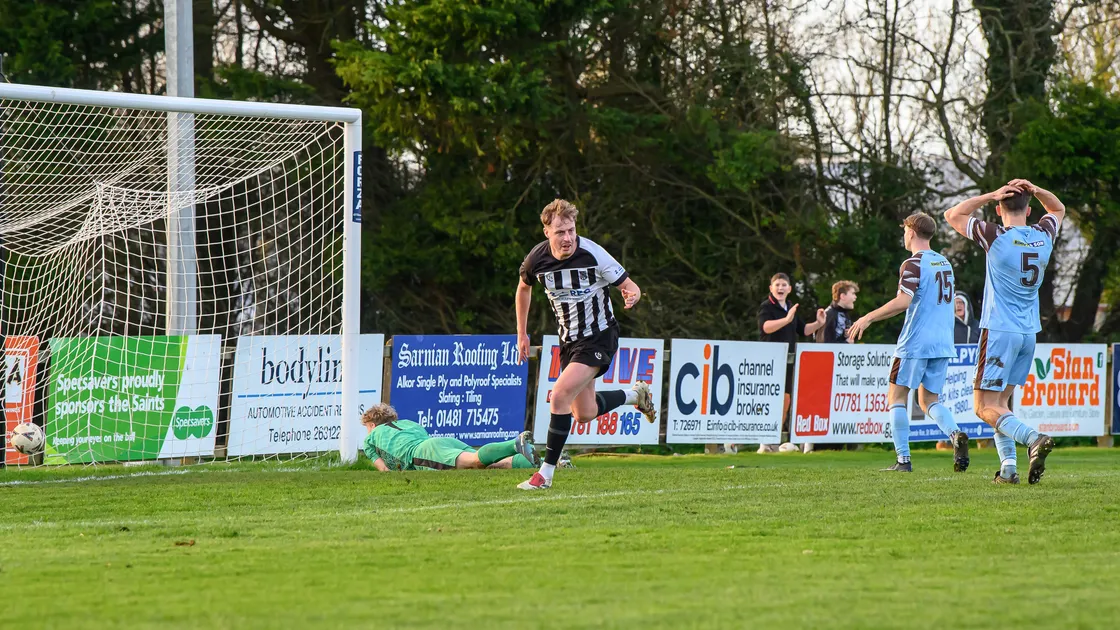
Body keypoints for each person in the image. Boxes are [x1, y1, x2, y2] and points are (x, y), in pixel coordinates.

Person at [514, 199, 657, 490]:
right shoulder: (536, 260)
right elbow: (523, 289)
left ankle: (545, 475)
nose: (567, 238)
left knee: (559, 396)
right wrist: (522, 333)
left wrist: (633, 295)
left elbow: (631, 286)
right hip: (570, 342)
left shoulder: (593, 254)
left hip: (600, 336)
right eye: (560, 232)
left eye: (571, 230)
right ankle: (635, 396)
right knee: (585, 413)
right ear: (546, 232)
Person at [944, 179, 1063, 485]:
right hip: (1028, 333)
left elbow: (952, 215)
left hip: (999, 329)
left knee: (984, 407)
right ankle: (1008, 469)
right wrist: (1035, 188)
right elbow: (1058, 207)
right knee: (1001, 405)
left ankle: (1034, 439)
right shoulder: (1043, 234)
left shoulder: (995, 235)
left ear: (998, 209)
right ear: (1030, 208)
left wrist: (989, 194)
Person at [846, 212, 970, 473]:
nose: (904, 235)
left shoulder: (913, 263)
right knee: (928, 401)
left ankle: (903, 460)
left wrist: (868, 317)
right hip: (943, 342)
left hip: (916, 341)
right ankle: (955, 433)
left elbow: (903, 302)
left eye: (904, 230)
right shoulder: (944, 262)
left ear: (912, 232)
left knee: (897, 398)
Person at [755, 273, 826, 454]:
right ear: (771, 288)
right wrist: (786, 320)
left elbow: (802, 330)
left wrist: (818, 323)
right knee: (770, 400)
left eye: (784, 285)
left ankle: (775, 439)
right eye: (777, 285)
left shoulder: (790, 308)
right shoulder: (766, 307)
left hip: (788, 360)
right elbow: (765, 327)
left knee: (786, 399)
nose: (780, 288)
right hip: (770, 361)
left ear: (789, 289)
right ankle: (765, 442)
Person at [361, 403, 540, 471]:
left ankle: (515, 443)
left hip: (421, 452)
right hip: (440, 441)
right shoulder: (409, 423)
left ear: (372, 425)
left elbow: (384, 471)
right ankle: (538, 461)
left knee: (475, 461)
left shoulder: (371, 438)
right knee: (486, 466)